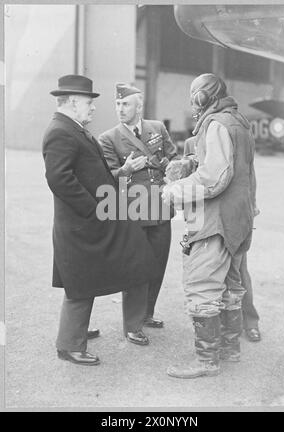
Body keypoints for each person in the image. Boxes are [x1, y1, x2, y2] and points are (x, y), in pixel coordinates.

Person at [43, 74, 157, 365]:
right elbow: (59, 179)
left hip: (93, 219)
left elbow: (94, 174)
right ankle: (69, 344)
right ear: (70, 102)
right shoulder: (60, 131)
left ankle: (86, 330)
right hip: (84, 222)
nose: (93, 108)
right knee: (81, 280)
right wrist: (94, 209)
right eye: (87, 102)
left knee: (129, 259)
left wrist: (119, 175)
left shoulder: (73, 128)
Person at [162, 73, 257, 378]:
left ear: (205, 96)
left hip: (215, 221)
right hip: (239, 219)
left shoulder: (216, 124)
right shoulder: (238, 121)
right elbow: (241, 169)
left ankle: (206, 361)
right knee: (230, 286)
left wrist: (174, 189)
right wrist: (191, 165)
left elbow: (215, 178)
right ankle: (230, 350)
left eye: (195, 95)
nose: (192, 101)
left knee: (202, 286)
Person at [99, 83, 178, 344]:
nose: (120, 109)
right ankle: (132, 324)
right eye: (118, 104)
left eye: (126, 104)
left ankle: (147, 313)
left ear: (138, 106)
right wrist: (126, 170)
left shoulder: (157, 128)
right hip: (133, 211)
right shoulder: (108, 138)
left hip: (161, 208)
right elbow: (106, 177)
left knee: (157, 263)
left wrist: (172, 169)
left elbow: (172, 158)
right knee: (136, 267)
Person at [184, 137, 261, 343]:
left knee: (238, 273)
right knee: (208, 276)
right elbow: (188, 182)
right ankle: (220, 332)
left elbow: (248, 175)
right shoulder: (191, 143)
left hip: (232, 215)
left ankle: (250, 322)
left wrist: (251, 206)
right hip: (206, 218)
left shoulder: (230, 137)